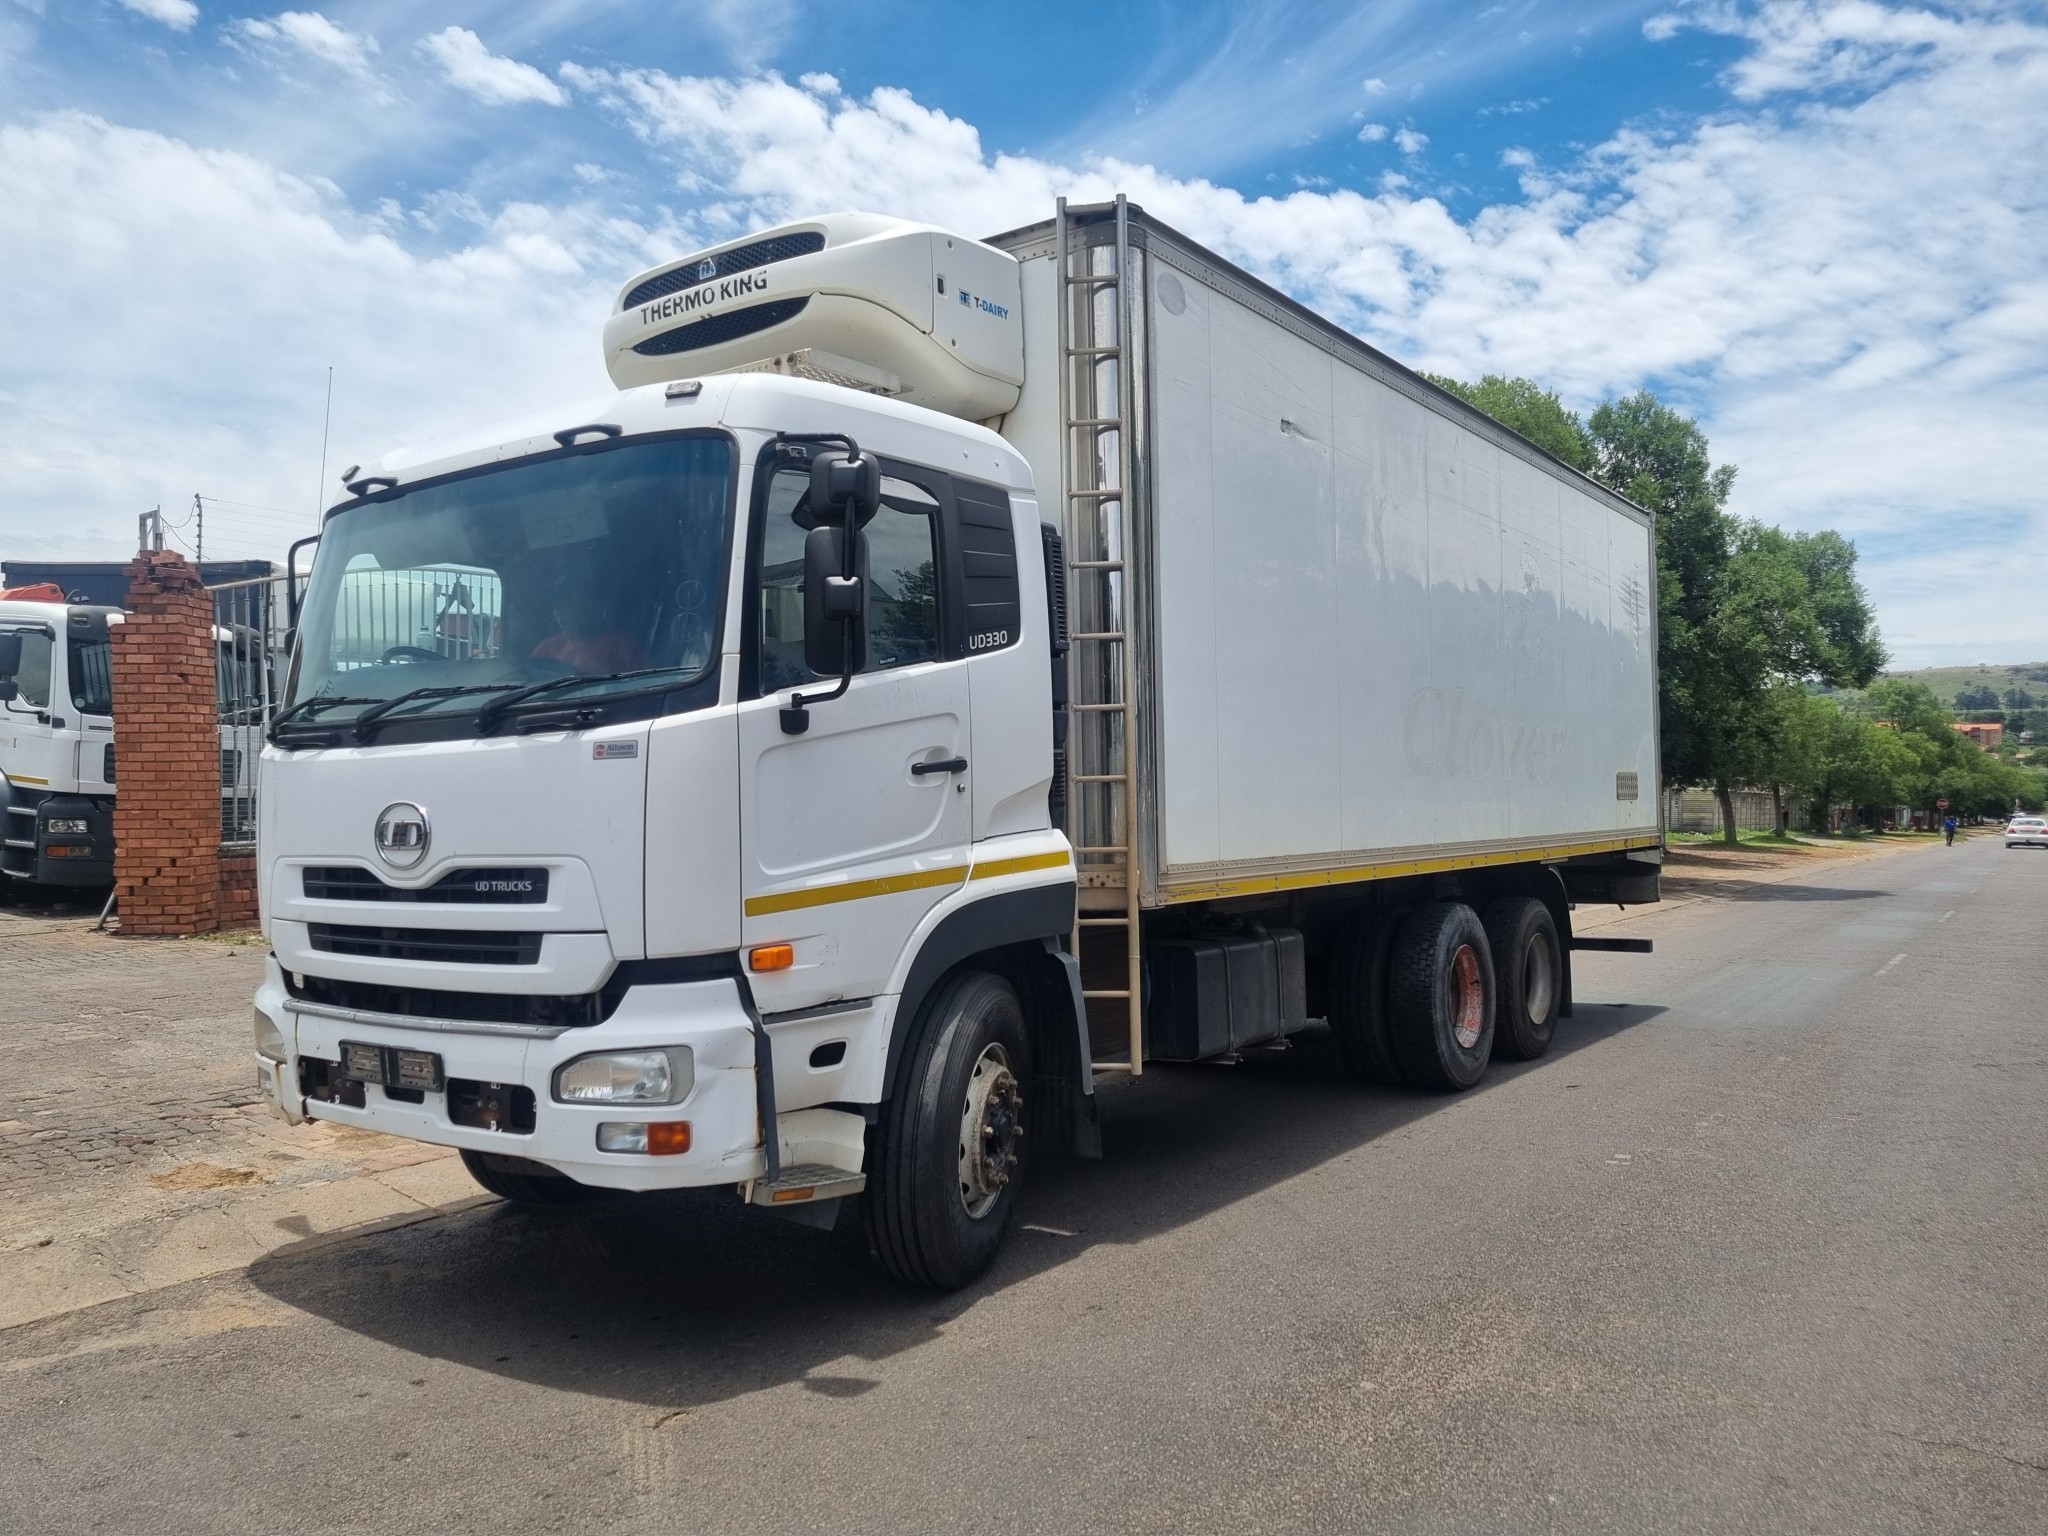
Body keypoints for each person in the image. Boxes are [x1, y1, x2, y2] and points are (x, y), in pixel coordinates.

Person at [530, 583, 645, 675]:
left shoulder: (620, 644)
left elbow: (646, 682)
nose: (558, 613)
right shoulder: (547, 648)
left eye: (566, 605)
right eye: (558, 607)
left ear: (589, 608)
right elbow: (526, 679)